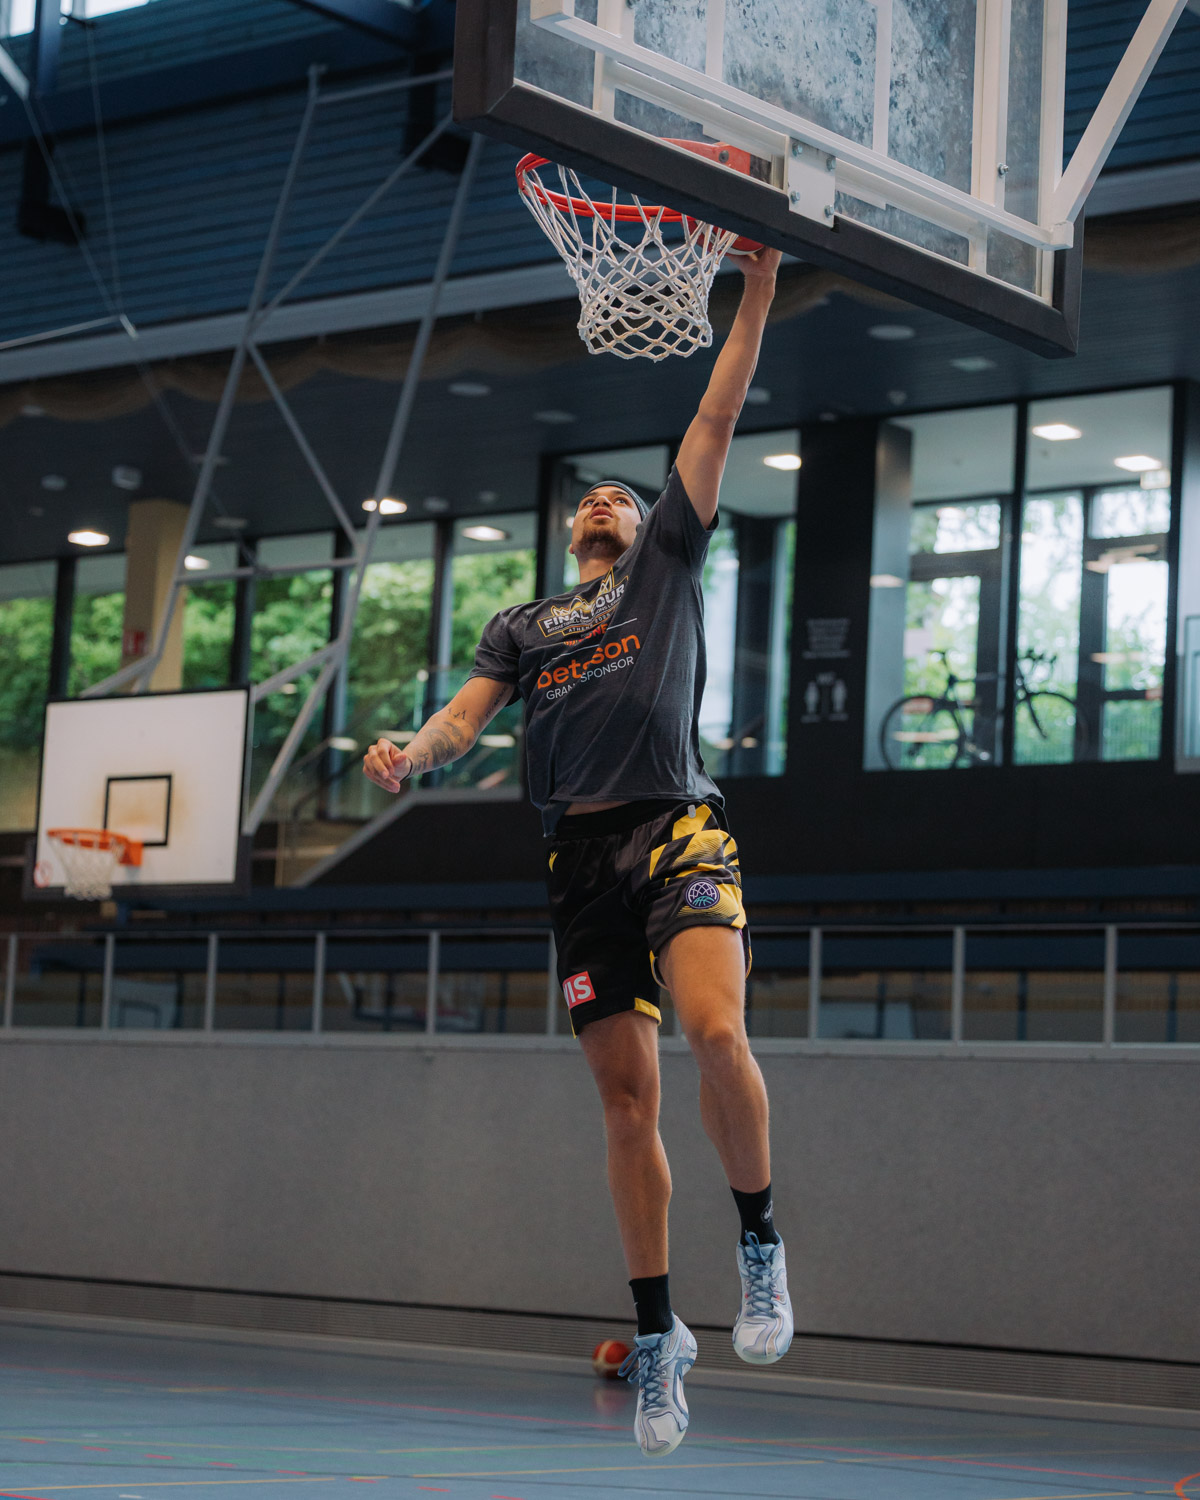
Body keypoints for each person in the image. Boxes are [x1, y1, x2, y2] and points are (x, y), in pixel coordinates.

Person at [363, 245, 792, 1458]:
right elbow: (462, 721)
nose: (607, 501)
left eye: (623, 494)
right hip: (578, 862)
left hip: (675, 825)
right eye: (591, 497)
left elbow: (717, 413)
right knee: (623, 1104)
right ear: (569, 529)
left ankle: (760, 1241)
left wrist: (756, 292)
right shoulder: (524, 625)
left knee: (717, 1034)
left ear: (652, 522)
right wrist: (413, 754)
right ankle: (659, 1335)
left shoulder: (667, 562)